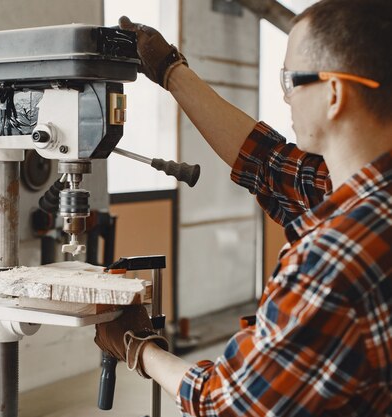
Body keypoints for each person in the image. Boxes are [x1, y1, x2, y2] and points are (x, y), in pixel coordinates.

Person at [94, 0, 392, 415]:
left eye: (290, 80)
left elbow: (227, 404)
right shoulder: (365, 195)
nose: (285, 97)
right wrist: (170, 71)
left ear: (335, 94)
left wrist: (137, 346)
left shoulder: (331, 258)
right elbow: (267, 163)